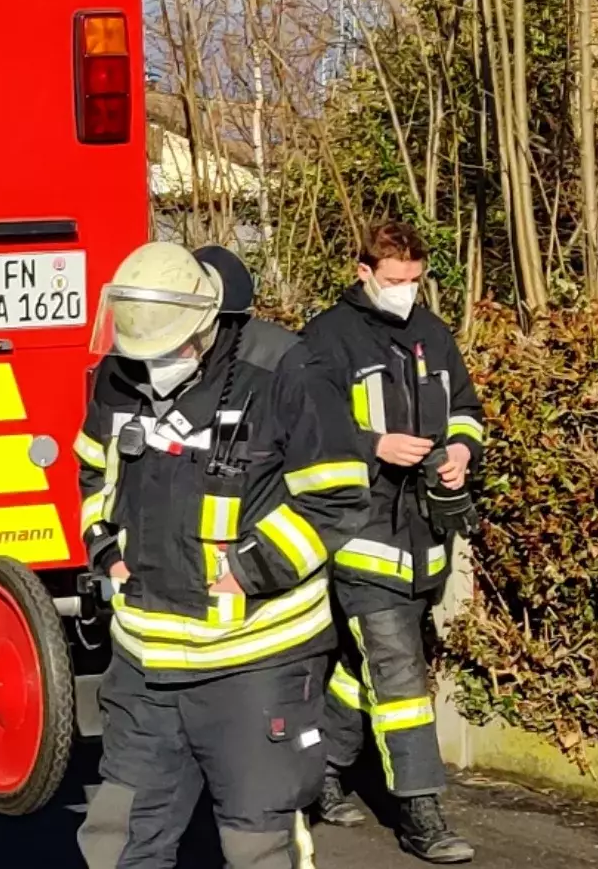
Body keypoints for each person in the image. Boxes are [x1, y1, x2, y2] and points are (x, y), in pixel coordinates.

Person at [77, 242, 371, 869]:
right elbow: (91, 475)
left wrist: (248, 570)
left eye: (165, 352)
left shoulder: (286, 370)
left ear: (205, 327)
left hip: (255, 662)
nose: (150, 366)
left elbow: (337, 497)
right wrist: (104, 549)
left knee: (255, 844)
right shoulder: (118, 373)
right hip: (145, 662)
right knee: (118, 837)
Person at [301, 222, 479, 864]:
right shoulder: (327, 337)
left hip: (425, 537)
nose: (406, 291)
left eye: (414, 280)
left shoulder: (432, 332)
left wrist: (461, 449)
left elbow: (464, 406)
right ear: (364, 272)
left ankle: (319, 771)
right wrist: (372, 445)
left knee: (361, 667)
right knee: (401, 675)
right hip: (360, 534)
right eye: (394, 280)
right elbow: (306, 426)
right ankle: (422, 812)